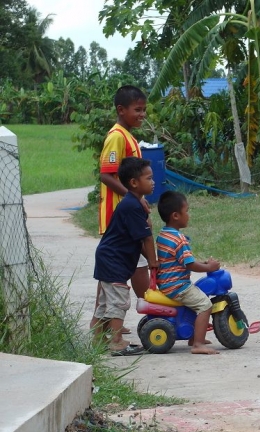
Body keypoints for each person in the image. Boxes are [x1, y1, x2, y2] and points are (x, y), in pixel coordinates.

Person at [90, 85, 150, 335]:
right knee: (138, 265)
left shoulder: (128, 136)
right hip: (120, 218)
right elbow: (106, 175)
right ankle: (151, 308)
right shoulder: (116, 136)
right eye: (137, 110)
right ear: (121, 110)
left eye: (144, 110)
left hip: (127, 217)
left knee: (113, 271)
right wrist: (133, 198)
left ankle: (103, 322)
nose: (142, 115)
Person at [92, 157, 157, 356]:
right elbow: (146, 238)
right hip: (114, 260)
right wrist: (154, 263)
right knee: (118, 301)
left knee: (105, 302)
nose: (153, 182)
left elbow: (140, 239)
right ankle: (117, 341)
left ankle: (98, 340)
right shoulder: (132, 206)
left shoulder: (132, 203)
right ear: (134, 182)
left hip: (108, 258)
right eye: (149, 178)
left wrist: (152, 260)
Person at [156, 190, 221, 355]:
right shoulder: (179, 239)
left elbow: (182, 260)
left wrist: (203, 263)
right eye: (187, 211)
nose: (189, 215)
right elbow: (190, 264)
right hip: (178, 285)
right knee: (205, 305)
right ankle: (197, 343)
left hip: (166, 283)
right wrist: (209, 268)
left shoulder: (163, 235)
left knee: (197, 301)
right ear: (176, 216)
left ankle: (194, 336)